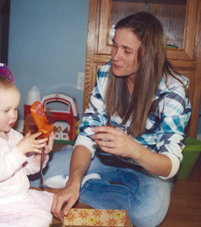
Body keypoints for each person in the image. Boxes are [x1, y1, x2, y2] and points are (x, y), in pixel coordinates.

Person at [30, 12, 191, 227]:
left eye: (127, 51)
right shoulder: (106, 74)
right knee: (39, 173)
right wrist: (73, 182)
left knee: (147, 215)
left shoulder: (172, 92)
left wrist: (132, 149)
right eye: (115, 46)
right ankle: (87, 181)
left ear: (148, 55)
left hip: (148, 170)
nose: (115, 56)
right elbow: (87, 135)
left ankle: (88, 185)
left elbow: (170, 165)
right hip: (106, 157)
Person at [0, 74, 54, 227]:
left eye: (14, 109)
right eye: (6, 110)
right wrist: (19, 150)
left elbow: (26, 169)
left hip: (19, 195)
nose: (13, 116)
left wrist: (39, 156)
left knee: (54, 201)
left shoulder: (13, 135)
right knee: (43, 217)